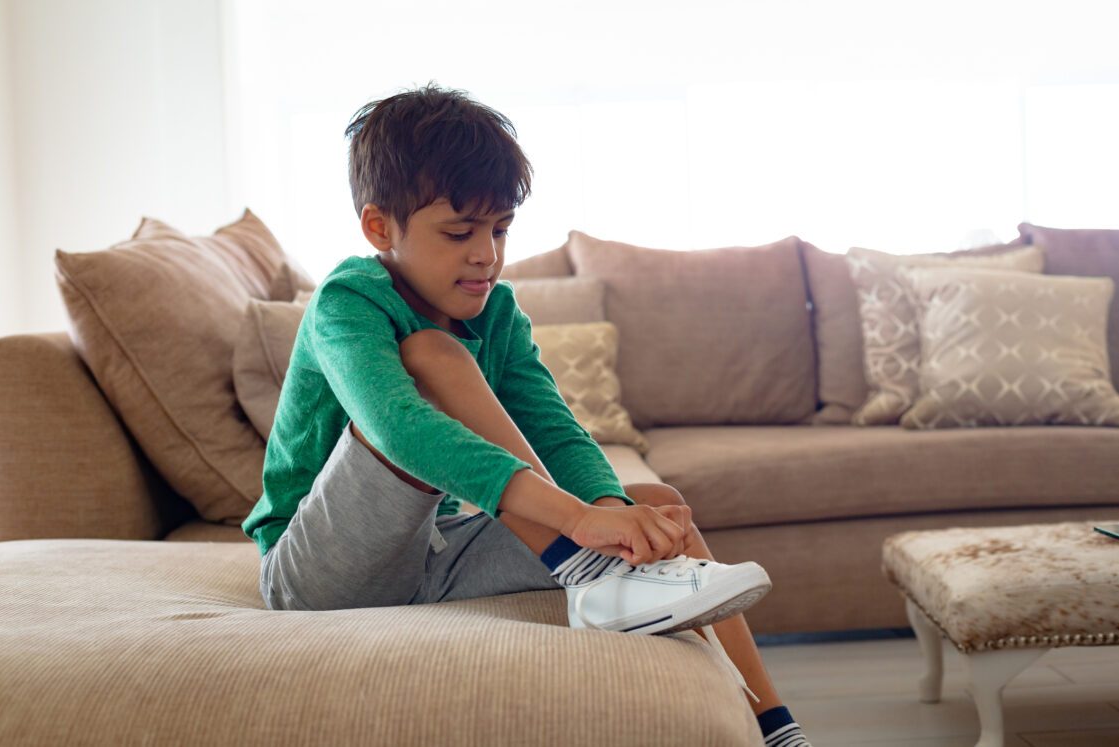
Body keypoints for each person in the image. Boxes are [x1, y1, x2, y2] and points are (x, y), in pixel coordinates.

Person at [242, 84, 810, 747]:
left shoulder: (498, 312)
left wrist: (611, 512)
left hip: (434, 554)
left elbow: (555, 431)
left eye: (500, 228)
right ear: (379, 228)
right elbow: (399, 431)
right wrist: (575, 520)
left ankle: (777, 727)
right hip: (318, 572)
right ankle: (585, 569)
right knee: (431, 354)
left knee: (656, 507)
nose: (486, 253)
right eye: (459, 232)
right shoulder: (348, 301)